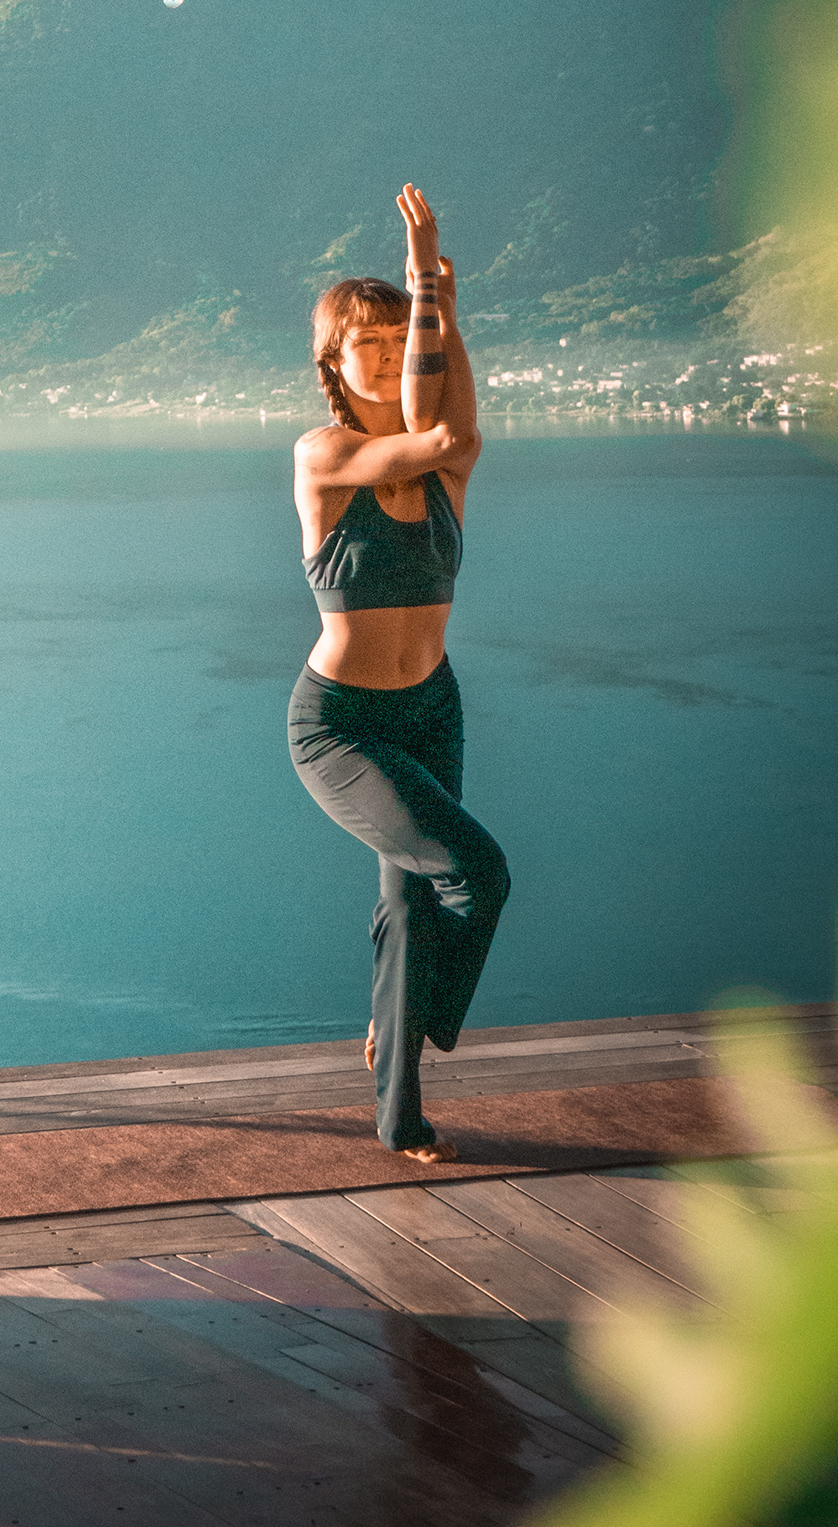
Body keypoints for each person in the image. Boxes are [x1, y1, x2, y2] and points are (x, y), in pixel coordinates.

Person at [288, 185, 509, 1161]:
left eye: (396, 337)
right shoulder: (326, 454)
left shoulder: (448, 475)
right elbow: (436, 435)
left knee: (413, 911)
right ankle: (405, 1026)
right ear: (331, 363)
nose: (383, 353)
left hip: (430, 707)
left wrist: (443, 311)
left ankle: (400, 1115)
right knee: (478, 872)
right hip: (342, 725)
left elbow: (452, 434)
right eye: (364, 342)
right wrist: (422, 276)